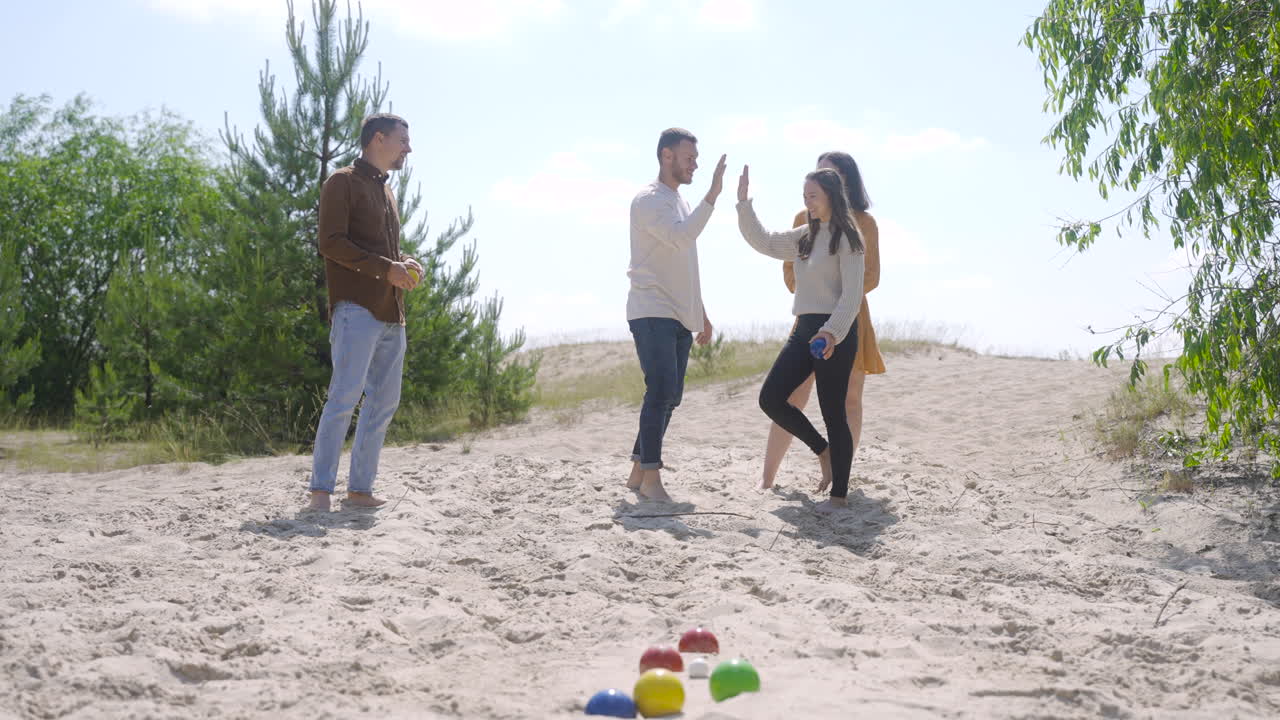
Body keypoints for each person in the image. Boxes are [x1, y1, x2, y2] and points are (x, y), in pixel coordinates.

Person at [305, 113, 423, 513]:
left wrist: (404, 262)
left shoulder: (387, 191)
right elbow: (330, 242)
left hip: (392, 312)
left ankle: (359, 490)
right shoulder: (342, 182)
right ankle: (320, 491)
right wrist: (385, 268)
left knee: (384, 403)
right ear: (378, 139)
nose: (408, 147)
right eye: (402, 140)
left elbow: (383, 253)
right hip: (356, 308)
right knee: (343, 398)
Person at [736, 165, 865, 513]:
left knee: (833, 410)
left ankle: (839, 494)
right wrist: (744, 203)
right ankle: (822, 451)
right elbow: (763, 242)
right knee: (771, 398)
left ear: (830, 197)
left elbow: (852, 297)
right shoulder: (804, 236)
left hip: (835, 333)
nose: (807, 202)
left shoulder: (849, 238)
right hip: (805, 327)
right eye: (804, 196)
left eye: (813, 196)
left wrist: (831, 332)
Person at [761, 151, 882, 489]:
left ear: (845, 182)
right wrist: (817, 289)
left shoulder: (864, 223)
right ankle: (767, 477)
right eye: (819, 174)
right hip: (809, 316)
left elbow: (870, 275)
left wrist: (839, 293)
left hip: (851, 317)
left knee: (849, 399)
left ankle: (841, 474)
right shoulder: (803, 217)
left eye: (831, 174)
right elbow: (789, 271)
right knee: (791, 396)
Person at [624, 128, 727, 502]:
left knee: (672, 396)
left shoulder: (679, 203)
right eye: (689, 158)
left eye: (696, 159)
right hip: (651, 310)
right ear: (667, 156)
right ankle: (651, 478)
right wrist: (713, 196)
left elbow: (684, 263)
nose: (695, 165)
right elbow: (681, 238)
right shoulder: (648, 200)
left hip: (679, 313)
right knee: (661, 390)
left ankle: (638, 470)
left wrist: (701, 312)